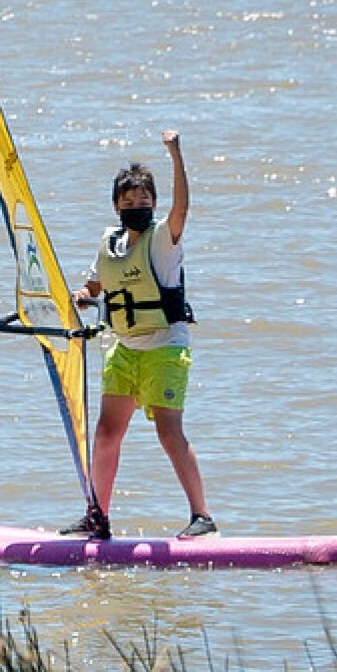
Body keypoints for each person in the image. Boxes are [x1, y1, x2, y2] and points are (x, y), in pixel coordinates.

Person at [60, 129, 215, 541]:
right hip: (125, 350)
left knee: (168, 432)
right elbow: (95, 286)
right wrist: (81, 295)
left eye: (144, 202)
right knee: (107, 433)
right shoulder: (108, 243)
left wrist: (176, 154)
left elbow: (183, 205)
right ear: (116, 207)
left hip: (165, 349)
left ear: (155, 205)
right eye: (128, 203)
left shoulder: (164, 239)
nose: (137, 208)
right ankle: (98, 517)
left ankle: (203, 517)